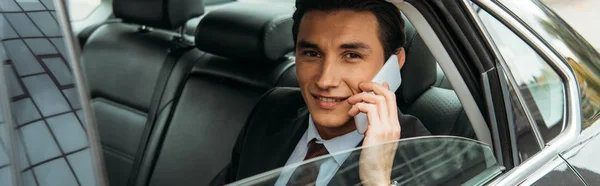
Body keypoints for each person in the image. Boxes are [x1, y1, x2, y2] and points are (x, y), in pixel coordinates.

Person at [211, 0, 430, 185]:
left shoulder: (431, 155)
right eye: (312, 53)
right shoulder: (271, 110)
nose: (325, 80)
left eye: (352, 55)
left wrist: (377, 179)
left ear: (395, 62)